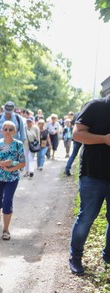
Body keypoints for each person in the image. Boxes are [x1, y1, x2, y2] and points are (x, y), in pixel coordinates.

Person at [69, 95, 110, 275]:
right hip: (93, 175)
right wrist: (104, 139)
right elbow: (77, 134)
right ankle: (75, 257)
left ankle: (108, 257)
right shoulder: (95, 106)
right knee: (86, 218)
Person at [0, 120, 26, 240]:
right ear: (1, 131)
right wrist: (2, 163)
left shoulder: (18, 144)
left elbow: (22, 162)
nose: (8, 131)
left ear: (15, 131)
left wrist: (11, 168)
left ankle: (6, 229)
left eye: (10, 129)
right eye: (5, 129)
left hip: (12, 178)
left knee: (8, 200)